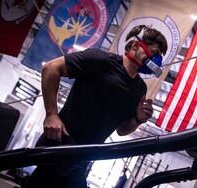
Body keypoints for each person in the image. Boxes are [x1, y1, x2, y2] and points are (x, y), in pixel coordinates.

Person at [24, 24, 168, 188]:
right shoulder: (101, 60)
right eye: (154, 53)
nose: (155, 61)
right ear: (136, 45)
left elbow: (122, 130)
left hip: (82, 157)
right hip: (62, 143)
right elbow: (51, 68)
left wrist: (137, 119)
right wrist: (51, 114)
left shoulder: (139, 89)